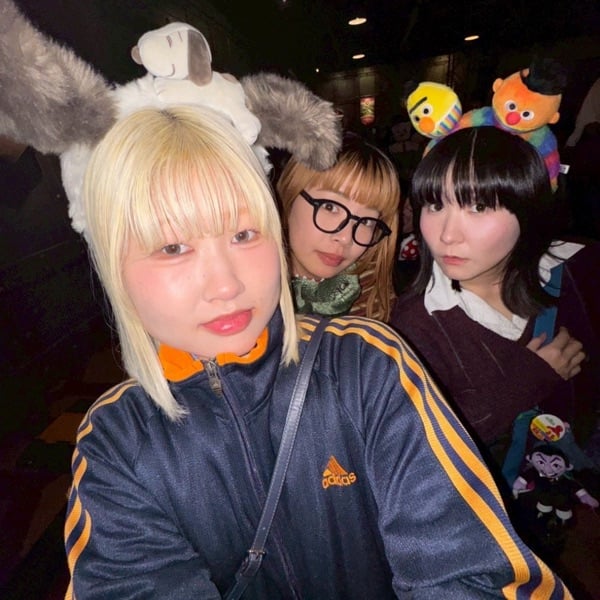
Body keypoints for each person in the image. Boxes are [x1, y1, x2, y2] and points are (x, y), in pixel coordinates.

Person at [64, 106, 572, 599]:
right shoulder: (116, 441)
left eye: (242, 235)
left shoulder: (366, 357)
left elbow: (463, 558)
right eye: (173, 247)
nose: (225, 285)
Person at [390, 126, 600, 594]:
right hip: (484, 530)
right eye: (434, 204)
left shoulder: (571, 272)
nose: (447, 233)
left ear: (528, 208)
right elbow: (420, 455)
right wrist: (531, 377)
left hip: (559, 500)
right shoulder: (415, 325)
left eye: (479, 206)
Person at [275, 133, 400, 321]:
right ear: (289, 196)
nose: (345, 238)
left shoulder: (372, 292)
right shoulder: (245, 284)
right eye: (330, 207)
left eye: (366, 221)